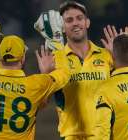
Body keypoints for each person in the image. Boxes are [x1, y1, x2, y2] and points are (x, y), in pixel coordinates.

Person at [35, 1, 113, 139]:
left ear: (87, 22)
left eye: (79, 18)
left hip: (105, 135)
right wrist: (45, 76)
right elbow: (42, 104)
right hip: (71, 136)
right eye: (69, 20)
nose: (75, 23)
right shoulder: (55, 59)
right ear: (62, 27)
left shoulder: (107, 55)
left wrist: (118, 58)